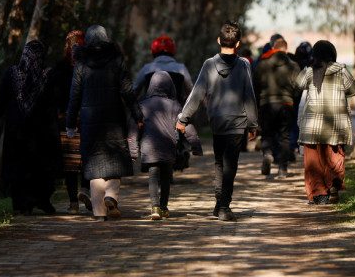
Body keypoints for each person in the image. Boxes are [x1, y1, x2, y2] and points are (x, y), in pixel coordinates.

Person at [176, 21, 258, 221]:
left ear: (219, 40)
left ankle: (219, 203)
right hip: (238, 121)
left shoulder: (209, 64)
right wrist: (253, 123)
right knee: (230, 165)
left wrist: (183, 118)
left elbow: (196, 94)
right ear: (238, 44)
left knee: (219, 163)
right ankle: (223, 206)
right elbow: (249, 95)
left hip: (217, 121)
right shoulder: (244, 64)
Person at [66, 25, 144, 221]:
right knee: (115, 159)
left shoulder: (81, 63)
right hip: (113, 117)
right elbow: (127, 89)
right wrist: (138, 115)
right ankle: (111, 195)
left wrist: (70, 123)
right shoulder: (116, 59)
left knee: (93, 165)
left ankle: (99, 213)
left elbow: (74, 95)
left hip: (89, 119)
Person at [0, 40, 59, 215]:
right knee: (39, 166)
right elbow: (56, 102)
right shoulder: (47, 76)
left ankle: (24, 204)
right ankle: (39, 201)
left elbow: (0, 100)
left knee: (20, 166)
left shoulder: (12, 74)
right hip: (40, 132)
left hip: (17, 130)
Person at [128, 71, 202, 220]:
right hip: (169, 147)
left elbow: (133, 128)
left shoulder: (142, 105)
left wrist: (133, 151)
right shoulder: (175, 106)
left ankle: (154, 206)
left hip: (150, 147)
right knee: (167, 177)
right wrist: (195, 146)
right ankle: (164, 207)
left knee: (153, 176)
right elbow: (186, 125)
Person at [295, 40, 355, 205]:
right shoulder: (342, 71)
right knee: (334, 158)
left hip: (312, 127)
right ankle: (333, 185)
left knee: (313, 162)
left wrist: (309, 65)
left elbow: (298, 83)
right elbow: (353, 90)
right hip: (336, 126)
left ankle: (319, 195)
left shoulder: (310, 71)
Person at [253, 37, 300, 179]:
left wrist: (258, 104)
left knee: (267, 133)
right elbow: (298, 88)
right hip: (286, 104)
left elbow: (255, 86)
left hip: (267, 103)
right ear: (286, 50)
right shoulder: (293, 66)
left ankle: (267, 154)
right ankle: (282, 168)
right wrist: (292, 98)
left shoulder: (262, 65)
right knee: (284, 136)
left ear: (273, 48)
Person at [50, 30, 86, 214]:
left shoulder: (60, 68)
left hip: (71, 120)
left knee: (75, 162)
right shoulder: (63, 68)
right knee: (78, 162)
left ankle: (77, 199)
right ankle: (77, 198)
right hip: (78, 120)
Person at [134, 35, 193, 104]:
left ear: (153, 51)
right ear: (173, 50)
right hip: (177, 112)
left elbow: (135, 91)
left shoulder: (147, 68)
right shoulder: (181, 68)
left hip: (151, 112)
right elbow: (191, 92)